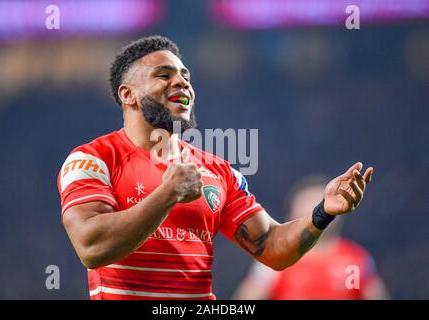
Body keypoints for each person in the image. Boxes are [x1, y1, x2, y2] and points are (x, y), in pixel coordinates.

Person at [57, 35, 374, 300]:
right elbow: (92, 246)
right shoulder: (94, 159)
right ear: (128, 95)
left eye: (186, 77)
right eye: (164, 75)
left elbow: (272, 248)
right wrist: (168, 193)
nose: (181, 82)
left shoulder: (218, 171)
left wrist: (323, 212)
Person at [233, 175, 389, 300]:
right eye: (307, 204)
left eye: (320, 203)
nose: (316, 211)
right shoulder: (274, 258)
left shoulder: (355, 259)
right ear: (292, 213)